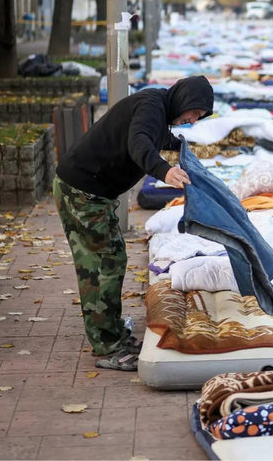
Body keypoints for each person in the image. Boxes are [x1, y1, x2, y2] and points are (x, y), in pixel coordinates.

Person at [54, 76, 215, 372]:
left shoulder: (157, 110)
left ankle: (113, 334)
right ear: (184, 99)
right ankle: (107, 347)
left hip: (92, 194)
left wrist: (179, 147)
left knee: (112, 260)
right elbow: (139, 142)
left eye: (198, 118)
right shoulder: (151, 106)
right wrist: (164, 171)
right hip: (81, 193)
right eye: (194, 113)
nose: (192, 121)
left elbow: (154, 136)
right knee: (101, 267)